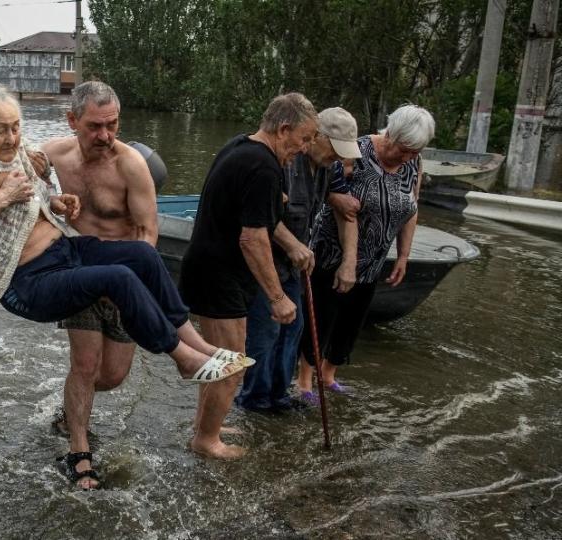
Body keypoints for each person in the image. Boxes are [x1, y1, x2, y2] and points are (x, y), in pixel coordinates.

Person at [0, 85, 251, 483]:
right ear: (73, 122)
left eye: (15, 128)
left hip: (72, 257)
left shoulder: (115, 163)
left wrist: (56, 203)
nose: (12, 138)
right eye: (1, 130)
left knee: (141, 264)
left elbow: (46, 196)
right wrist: (5, 193)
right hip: (33, 280)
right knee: (90, 351)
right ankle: (167, 372)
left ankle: (194, 346)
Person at [179, 93, 318, 458]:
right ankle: (206, 441)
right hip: (219, 274)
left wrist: (277, 202)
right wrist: (277, 297)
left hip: (209, 267)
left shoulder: (242, 146)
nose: (305, 149)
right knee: (231, 364)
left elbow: (254, 211)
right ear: (284, 128)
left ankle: (204, 426)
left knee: (219, 360)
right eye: (303, 139)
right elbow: (253, 238)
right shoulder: (264, 167)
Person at [41, 81, 157, 489]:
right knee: (85, 367)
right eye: (94, 126)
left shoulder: (130, 166)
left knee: (112, 375)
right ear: (72, 120)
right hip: (79, 275)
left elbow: (147, 233)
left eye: (113, 125)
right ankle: (79, 452)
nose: (105, 136)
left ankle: (68, 412)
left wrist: (131, 285)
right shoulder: (54, 154)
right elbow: (13, 165)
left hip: (123, 282)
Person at [295, 104, 435, 401]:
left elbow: (411, 209)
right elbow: (324, 186)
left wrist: (404, 255)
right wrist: (338, 199)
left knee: (352, 320)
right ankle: (305, 381)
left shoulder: (414, 163)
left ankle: (329, 374)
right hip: (333, 251)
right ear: (392, 135)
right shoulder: (355, 151)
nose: (409, 156)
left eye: (415, 151)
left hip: (374, 257)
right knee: (323, 315)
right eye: (406, 149)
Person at [234, 107, 362, 413]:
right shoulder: (284, 161)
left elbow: (344, 210)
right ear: (316, 137)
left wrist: (348, 261)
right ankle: (255, 400)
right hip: (267, 262)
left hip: (294, 267)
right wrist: (292, 245)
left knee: (294, 328)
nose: (339, 159)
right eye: (335, 149)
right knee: (266, 332)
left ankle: (279, 397)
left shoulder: (328, 168)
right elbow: (260, 216)